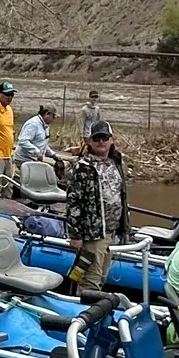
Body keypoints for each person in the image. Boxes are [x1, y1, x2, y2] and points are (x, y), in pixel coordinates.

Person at [63, 119, 129, 294]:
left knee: (102, 276)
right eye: (97, 138)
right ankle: (80, 312)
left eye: (104, 137)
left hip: (111, 231)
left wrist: (125, 229)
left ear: (111, 139)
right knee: (90, 278)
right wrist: (75, 235)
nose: (101, 141)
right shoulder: (83, 167)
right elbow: (73, 203)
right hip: (92, 233)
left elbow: (122, 197)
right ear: (90, 141)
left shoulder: (116, 162)